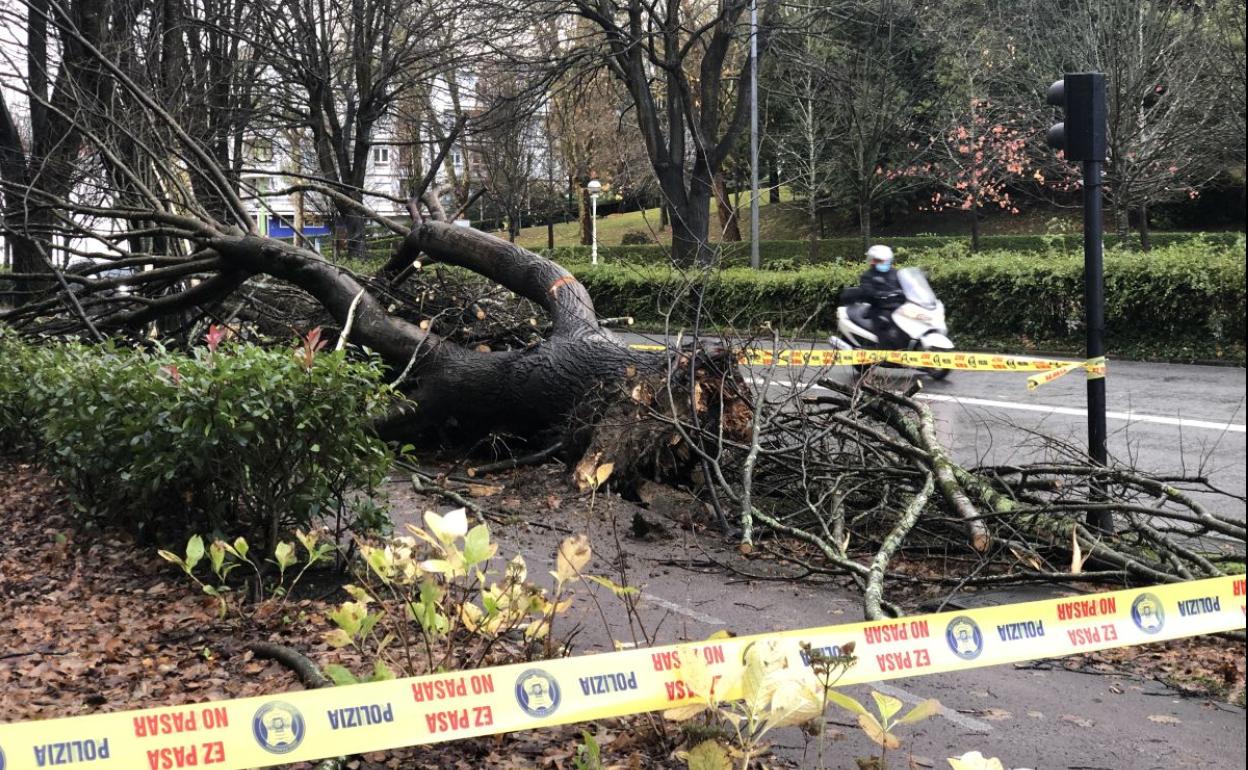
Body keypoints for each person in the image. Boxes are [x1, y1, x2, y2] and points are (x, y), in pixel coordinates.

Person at [839, 245, 905, 346]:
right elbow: (867, 292)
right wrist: (881, 294)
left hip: (898, 308)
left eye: (882, 260)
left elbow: (906, 286)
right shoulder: (868, 275)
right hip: (878, 309)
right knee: (885, 323)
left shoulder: (896, 273)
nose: (879, 262)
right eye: (877, 260)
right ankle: (885, 355)